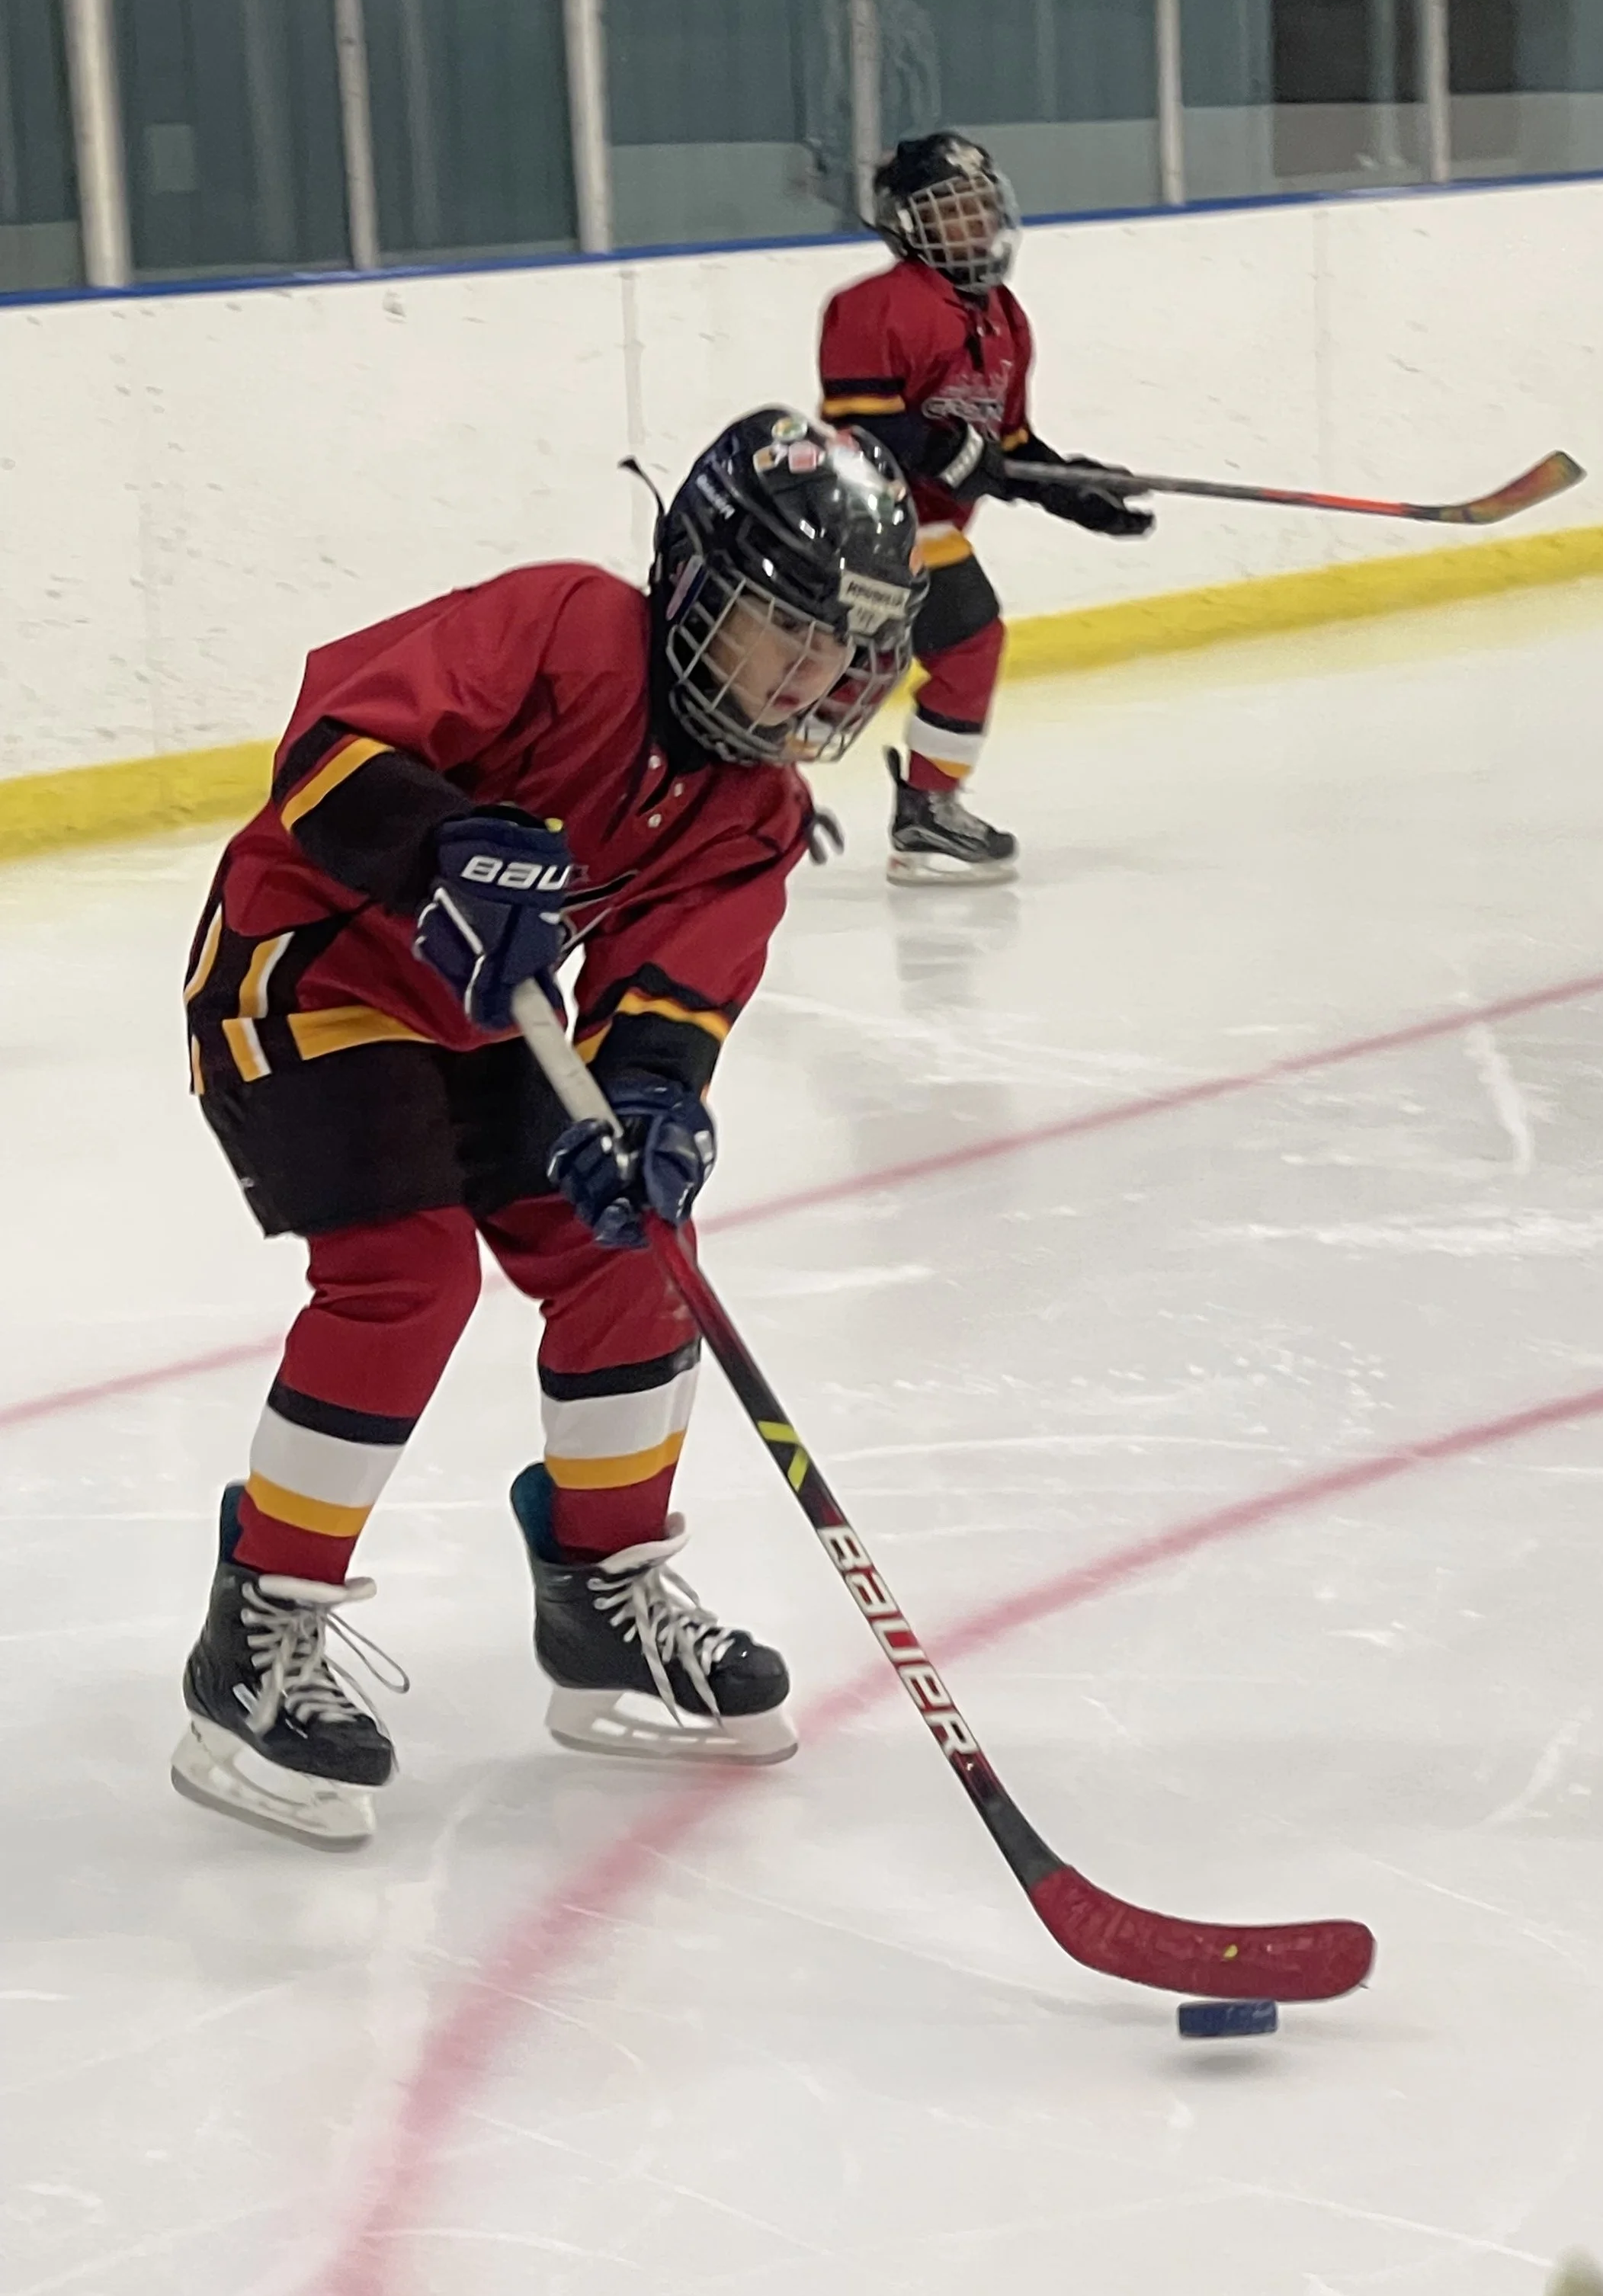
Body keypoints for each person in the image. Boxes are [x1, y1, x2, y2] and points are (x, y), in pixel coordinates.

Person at [171, 409, 925, 1849]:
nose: (820, 675)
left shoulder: (753, 807)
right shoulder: (569, 625)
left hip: (475, 1017)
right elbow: (331, 746)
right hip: (308, 967)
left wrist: (649, 1103)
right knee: (409, 1272)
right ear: (701, 584)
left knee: (632, 1241)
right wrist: (444, 840)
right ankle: (255, 1632)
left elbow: (665, 1005)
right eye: (790, 629)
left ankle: (603, 1595)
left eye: (851, 647)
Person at [819, 130, 1154, 886]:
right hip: (859, 518)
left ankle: (926, 812)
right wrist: (944, 452)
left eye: (979, 206)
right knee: (939, 649)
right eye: (949, 210)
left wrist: (1073, 490)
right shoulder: (870, 307)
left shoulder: (1006, 316)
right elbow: (862, 425)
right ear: (906, 224)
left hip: (925, 527)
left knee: (870, 672)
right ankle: (927, 815)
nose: (972, 223)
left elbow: (1009, 447)